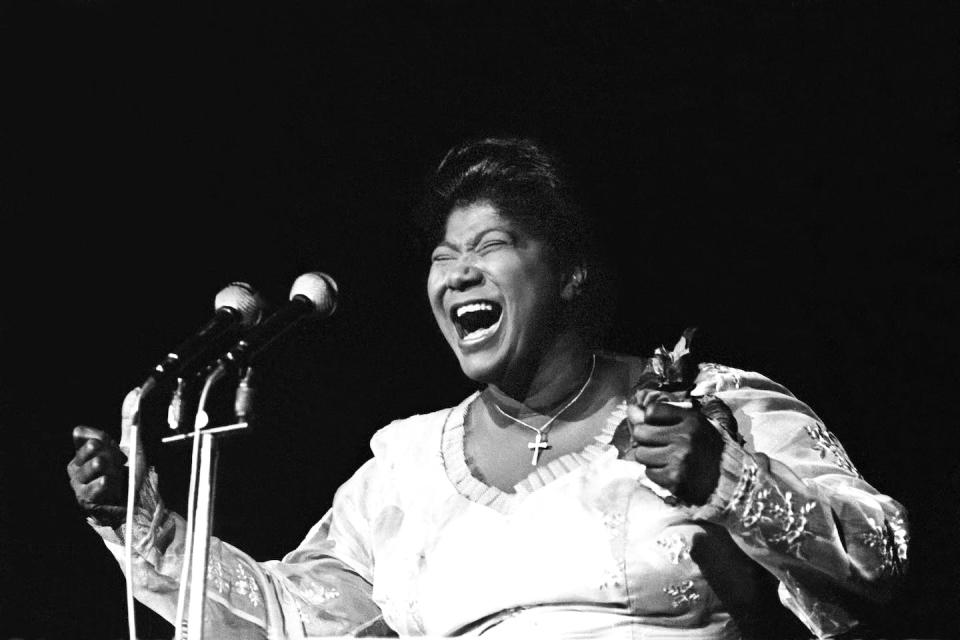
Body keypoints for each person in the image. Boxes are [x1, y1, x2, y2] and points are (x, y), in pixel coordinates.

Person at [68, 137, 908, 639]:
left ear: (572, 272)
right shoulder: (404, 466)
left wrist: (727, 480)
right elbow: (295, 619)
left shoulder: (708, 406)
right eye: (442, 255)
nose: (458, 270)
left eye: (492, 244)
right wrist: (148, 529)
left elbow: (881, 555)